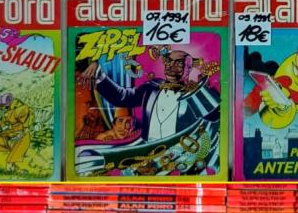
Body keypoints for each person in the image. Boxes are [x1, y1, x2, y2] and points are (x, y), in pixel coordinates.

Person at [79, 48, 219, 142]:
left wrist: (203, 91)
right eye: (168, 63)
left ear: (188, 68)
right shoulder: (151, 88)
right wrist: (99, 73)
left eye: (178, 65)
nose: (171, 68)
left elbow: (214, 117)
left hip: (180, 158)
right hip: (150, 158)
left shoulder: (195, 94)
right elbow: (122, 97)